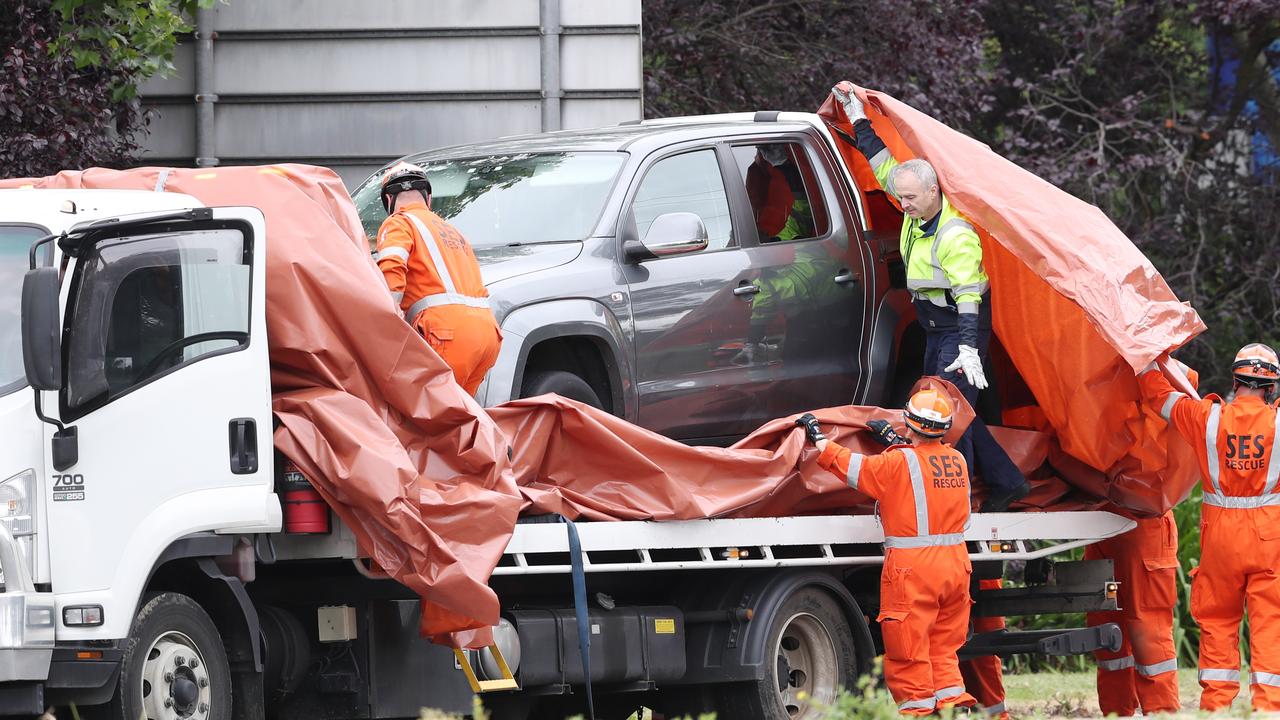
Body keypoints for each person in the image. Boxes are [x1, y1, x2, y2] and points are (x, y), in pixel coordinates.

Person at [831, 84, 1030, 513]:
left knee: (947, 415)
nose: (902, 205)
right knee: (948, 408)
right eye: (900, 196)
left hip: (960, 324)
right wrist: (857, 115)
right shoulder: (913, 201)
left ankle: (963, 503)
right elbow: (880, 160)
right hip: (934, 326)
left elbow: (967, 293)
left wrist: (968, 347)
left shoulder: (954, 234)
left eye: (910, 199)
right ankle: (1007, 481)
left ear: (934, 193)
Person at [797, 390, 978, 715]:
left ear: (909, 422)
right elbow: (942, 491)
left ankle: (919, 713)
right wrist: (894, 440)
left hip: (914, 571)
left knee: (909, 653)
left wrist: (819, 439)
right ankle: (954, 708)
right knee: (944, 649)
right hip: (956, 565)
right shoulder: (957, 460)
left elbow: (855, 469)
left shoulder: (898, 462)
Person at [1138, 343, 1280, 711]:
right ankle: (1269, 709)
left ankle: (1216, 707)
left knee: (1217, 620)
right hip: (1270, 540)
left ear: (1236, 380)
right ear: (1271, 387)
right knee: (1270, 622)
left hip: (1220, 539)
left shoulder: (1207, 418)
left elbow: (1159, 397)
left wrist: (1148, 355)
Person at [375, 161, 501, 394]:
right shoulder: (452, 231)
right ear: (428, 198)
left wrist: (385, 329)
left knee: (430, 421)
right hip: (486, 335)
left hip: (445, 335)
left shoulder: (398, 222)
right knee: (463, 421)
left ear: (389, 201)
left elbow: (391, 271)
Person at [1084, 511, 1181, 715]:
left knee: (1143, 628)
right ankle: (1123, 711)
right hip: (1106, 521)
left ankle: (1157, 711)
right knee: (1111, 630)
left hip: (1131, 520)